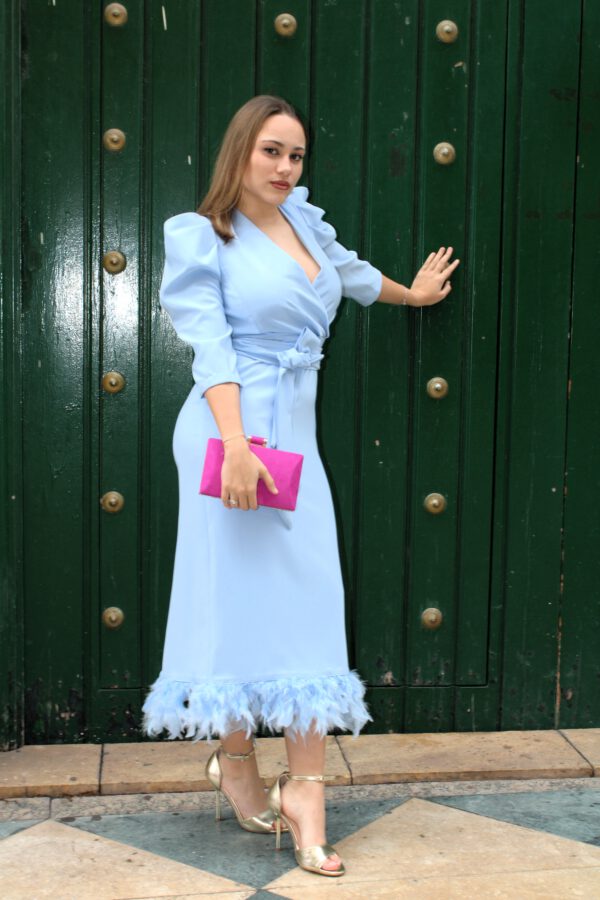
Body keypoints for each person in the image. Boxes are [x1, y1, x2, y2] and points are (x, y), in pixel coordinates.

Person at [142, 94, 459, 877]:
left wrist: (412, 294)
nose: (286, 167)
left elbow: (351, 277)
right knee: (235, 600)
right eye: (271, 152)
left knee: (308, 601)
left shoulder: (306, 225)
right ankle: (240, 765)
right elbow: (210, 348)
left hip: (295, 440)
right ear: (239, 152)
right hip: (231, 436)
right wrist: (234, 443)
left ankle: (303, 789)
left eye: (296, 155)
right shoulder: (204, 236)